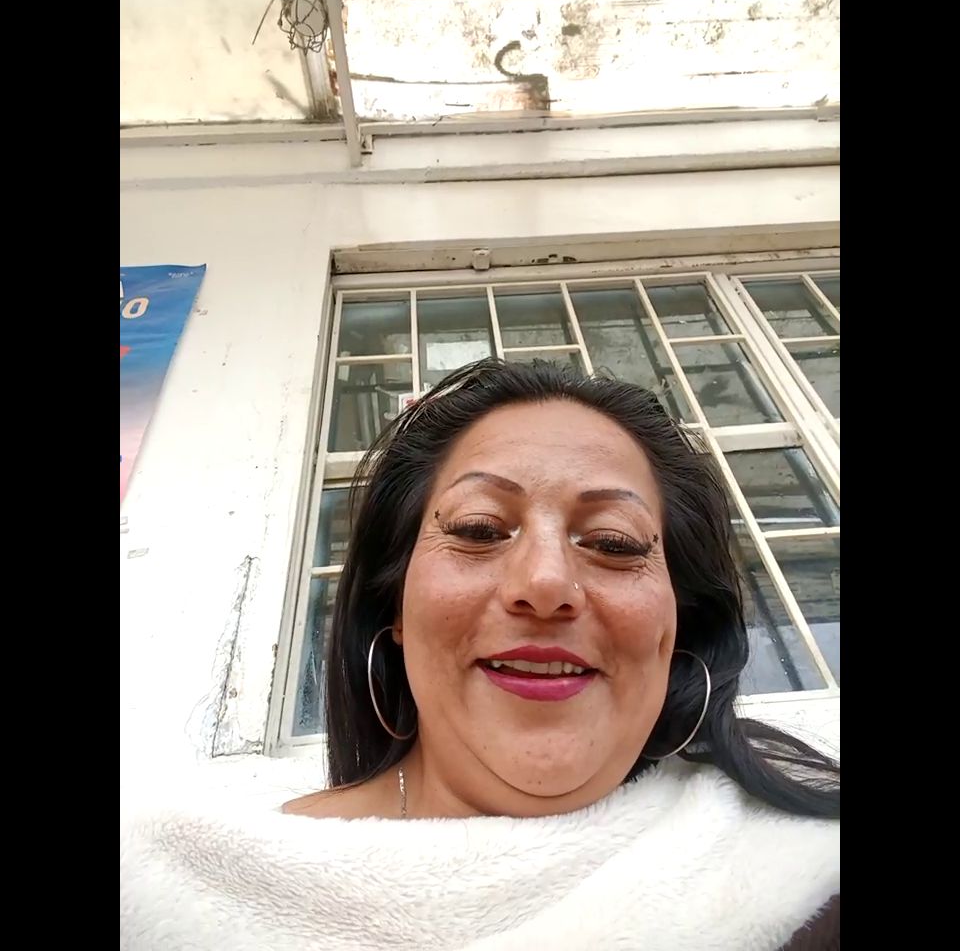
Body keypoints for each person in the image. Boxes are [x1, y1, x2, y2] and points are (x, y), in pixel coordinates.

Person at [121, 358, 839, 950]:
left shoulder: (805, 869)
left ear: (679, 624)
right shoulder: (161, 888)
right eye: (478, 529)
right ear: (394, 609)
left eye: (613, 543)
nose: (547, 584)